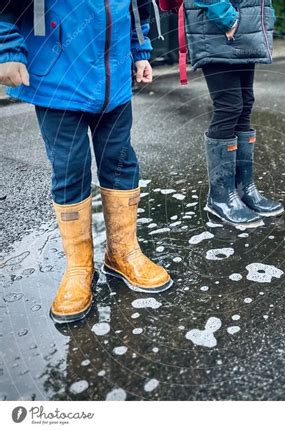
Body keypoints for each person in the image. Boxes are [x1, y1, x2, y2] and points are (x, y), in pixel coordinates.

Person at [0, 0, 173, 324]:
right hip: (56, 76)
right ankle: (79, 268)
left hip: (116, 77)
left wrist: (140, 52)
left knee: (121, 162)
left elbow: (137, 8)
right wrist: (6, 49)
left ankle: (123, 253)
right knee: (70, 168)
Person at [184, 0, 284, 228]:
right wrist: (228, 18)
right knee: (229, 107)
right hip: (219, 28)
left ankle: (242, 190)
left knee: (244, 104)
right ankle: (220, 197)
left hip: (243, 28)